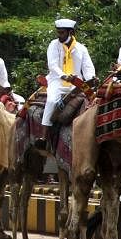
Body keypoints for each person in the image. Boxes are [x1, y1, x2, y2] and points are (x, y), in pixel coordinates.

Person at [40, 19, 95, 147]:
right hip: (57, 81)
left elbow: (87, 68)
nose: (59, 35)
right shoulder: (53, 45)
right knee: (52, 101)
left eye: (62, 32)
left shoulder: (81, 48)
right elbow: (52, 65)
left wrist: (91, 78)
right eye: (58, 32)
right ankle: (43, 136)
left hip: (76, 84)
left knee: (93, 101)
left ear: (71, 32)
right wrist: (63, 76)